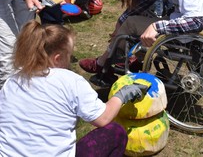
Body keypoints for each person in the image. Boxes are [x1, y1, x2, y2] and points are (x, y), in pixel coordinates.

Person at [0, 19, 147, 157]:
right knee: (116, 132)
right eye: (69, 55)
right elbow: (103, 118)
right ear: (57, 58)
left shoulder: (11, 82)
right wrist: (122, 95)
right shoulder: (70, 81)